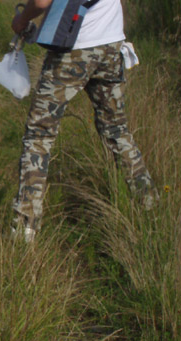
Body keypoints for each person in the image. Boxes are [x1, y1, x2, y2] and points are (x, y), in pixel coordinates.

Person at [10, 0, 159, 242]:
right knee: (116, 130)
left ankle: (25, 227)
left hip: (75, 47)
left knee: (39, 135)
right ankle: (149, 204)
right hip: (112, 44)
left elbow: (41, 1)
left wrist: (22, 19)